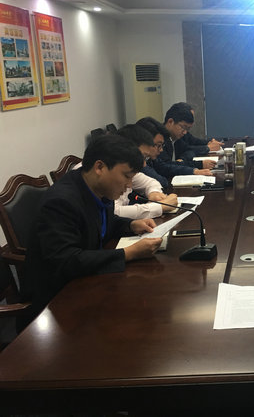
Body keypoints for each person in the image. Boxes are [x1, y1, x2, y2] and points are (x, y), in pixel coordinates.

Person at [21, 134, 163, 327]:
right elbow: (67, 260)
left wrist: (130, 225)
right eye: (126, 176)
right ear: (99, 167)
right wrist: (128, 253)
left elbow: (103, 224)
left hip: (87, 283)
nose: (129, 185)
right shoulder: (61, 202)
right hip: (56, 307)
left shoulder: (96, 189)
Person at [115, 124, 178, 219]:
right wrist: (160, 207)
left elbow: (151, 182)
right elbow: (115, 212)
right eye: (142, 156)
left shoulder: (130, 172)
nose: (143, 164)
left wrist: (154, 193)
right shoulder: (112, 171)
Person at [154, 102, 215, 181]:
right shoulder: (159, 140)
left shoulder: (176, 138)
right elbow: (164, 167)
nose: (185, 132)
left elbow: (189, 150)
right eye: (183, 127)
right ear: (170, 122)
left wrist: (182, 160)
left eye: (187, 129)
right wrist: (196, 168)